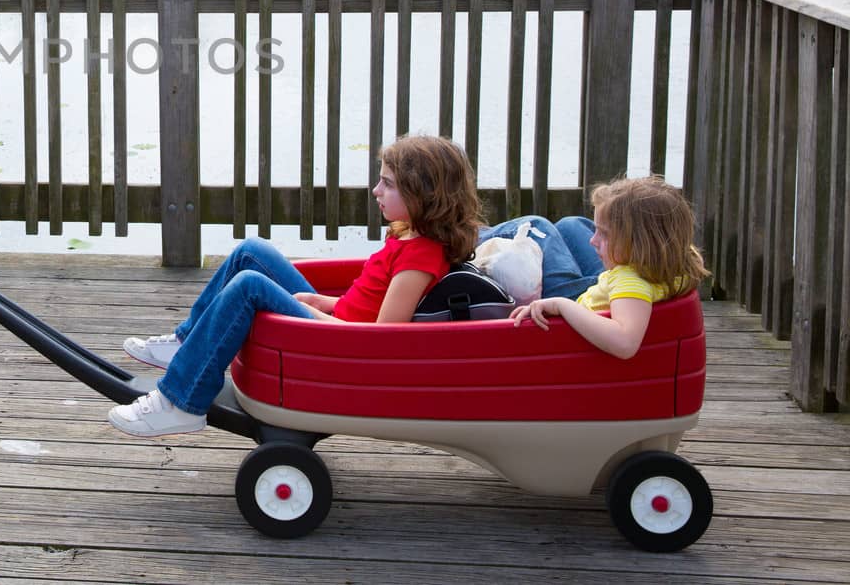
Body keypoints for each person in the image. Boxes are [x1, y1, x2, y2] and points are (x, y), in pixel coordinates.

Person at [109, 134, 481, 437]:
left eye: (387, 183)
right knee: (252, 252)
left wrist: (307, 313)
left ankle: (182, 403)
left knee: (249, 284)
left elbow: (382, 341)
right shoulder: (406, 234)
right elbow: (368, 299)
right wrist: (325, 302)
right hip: (338, 324)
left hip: (345, 349)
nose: (375, 190)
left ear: (422, 194)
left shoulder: (420, 257)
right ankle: (187, 344)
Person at [511, 176, 707, 359]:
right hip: (603, 294)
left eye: (604, 234)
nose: (592, 240)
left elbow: (625, 343)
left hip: (569, 332)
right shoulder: (679, 262)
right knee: (571, 225)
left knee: (537, 226)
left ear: (639, 243)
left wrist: (561, 304)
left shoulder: (629, 282)